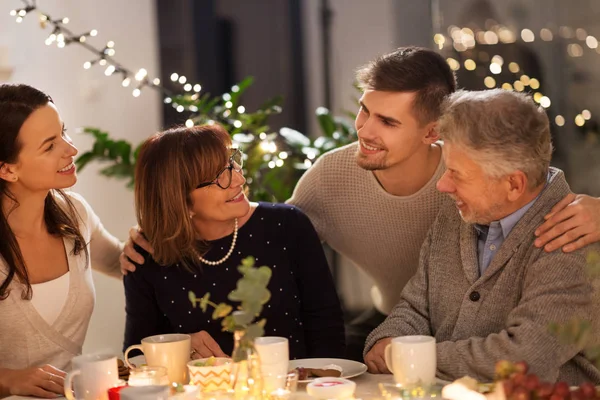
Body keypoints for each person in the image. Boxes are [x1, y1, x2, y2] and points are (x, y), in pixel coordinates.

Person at [120, 47, 600, 361]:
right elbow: (264, 237)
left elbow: (538, 194)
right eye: (365, 111)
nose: (365, 131)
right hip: (400, 333)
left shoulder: (509, 194)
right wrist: (157, 234)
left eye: (387, 122)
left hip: (438, 358)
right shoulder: (337, 177)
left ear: (433, 132)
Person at [364, 89, 600, 384]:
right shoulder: (460, 211)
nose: (443, 185)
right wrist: (390, 338)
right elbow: (416, 305)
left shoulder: (573, 238)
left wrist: (411, 355)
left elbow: (525, 357)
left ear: (514, 184)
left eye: (457, 174)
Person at [123, 124, 344, 360]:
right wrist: (180, 346)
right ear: (180, 199)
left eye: (232, 162)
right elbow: (135, 357)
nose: (238, 178)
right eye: (219, 177)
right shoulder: (146, 253)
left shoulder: (287, 225)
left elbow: (327, 329)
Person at [0, 84, 123, 398]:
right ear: (8, 169)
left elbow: (122, 262)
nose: (71, 149)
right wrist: (7, 379)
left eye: (64, 133)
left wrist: (146, 240)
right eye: (49, 145)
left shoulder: (75, 212)